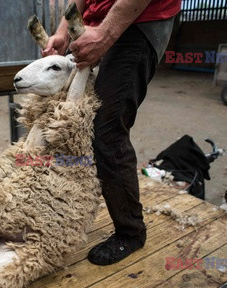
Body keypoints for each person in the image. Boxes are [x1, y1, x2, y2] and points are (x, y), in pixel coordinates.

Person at [42, 0, 181, 265]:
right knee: (72, 120)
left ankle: (131, 232)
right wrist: (62, 32)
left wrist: (105, 35)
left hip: (140, 19)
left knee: (106, 129)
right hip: (96, 25)